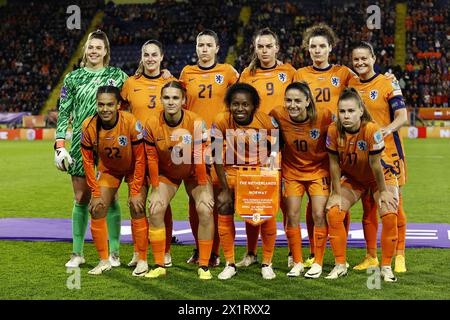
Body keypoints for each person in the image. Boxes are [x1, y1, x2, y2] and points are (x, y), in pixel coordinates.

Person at [54, 30, 128, 268]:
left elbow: (134, 95)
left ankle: (114, 253)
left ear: (106, 51)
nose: (94, 51)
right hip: (79, 143)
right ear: (85, 50)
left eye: (99, 47)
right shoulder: (73, 78)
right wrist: (59, 145)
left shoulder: (117, 76)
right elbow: (64, 113)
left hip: (110, 143)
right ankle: (77, 253)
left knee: (112, 197)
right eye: (90, 47)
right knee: (81, 197)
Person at [293, 23, 357, 269]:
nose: (317, 50)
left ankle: (342, 248)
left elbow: (364, 82)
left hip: (338, 144)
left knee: (338, 197)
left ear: (330, 48)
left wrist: (389, 78)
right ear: (307, 49)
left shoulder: (343, 74)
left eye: (322, 46)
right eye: (313, 47)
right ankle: (313, 249)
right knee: (314, 202)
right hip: (309, 147)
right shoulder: (300, 74)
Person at [325, 88, 399, 282]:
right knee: (334, 212)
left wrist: (383, 191)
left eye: (351, 111)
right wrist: (335, 192)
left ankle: (386, 267)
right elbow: (333, 163)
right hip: (354, 178)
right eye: (342, 111)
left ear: (360, 111)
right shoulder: (333, 130)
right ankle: (340, 264)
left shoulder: (371, 129)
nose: (346, 115)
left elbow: (376, 165)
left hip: (380, 177)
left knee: (390, 214)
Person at [143, 81, 215, 280]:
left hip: (194, 172)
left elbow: (201, 157)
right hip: (168, 173)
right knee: (156, 207)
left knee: (205, 208)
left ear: (183, 100)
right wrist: (156, 187)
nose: (171, 102)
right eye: (166, 97)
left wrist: (203, 186)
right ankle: (159, 264)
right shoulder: (152, 123)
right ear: (161, 99)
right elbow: (151, 158)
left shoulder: (196, 121)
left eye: (175, 98)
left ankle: (204, 264)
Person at [179, 29, 239, 267]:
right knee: (195, 200)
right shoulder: (186, 73)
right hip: (192, 143)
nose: (204, 49)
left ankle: (217, 252)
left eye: (208, 45)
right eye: (200, 45)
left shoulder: (227, 72)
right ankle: (199, 247)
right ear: (196, 48)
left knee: (217, 198)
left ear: (217, 49)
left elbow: (243, 98)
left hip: (219, 144)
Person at [237, 28, 295, 268]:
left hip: (285, 144)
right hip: (255, 146)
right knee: (255, 199)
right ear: (255, 48)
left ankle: (293, 254)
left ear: (276, 48)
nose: (264, 51)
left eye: (268, 46)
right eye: (260, 47)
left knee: (285, 201)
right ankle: (251, 253)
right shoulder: (247, 74)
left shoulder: (289, 72)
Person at [348, 41, 408, 272]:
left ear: (373, 58)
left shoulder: (387, 83)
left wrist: (387, 129)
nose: (361, 63)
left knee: (394, 204)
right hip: (363, 155)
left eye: (365, 58)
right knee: (368, 206)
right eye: (356, 59)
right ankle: (371, 255)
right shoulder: (351, 83)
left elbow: (402, 116)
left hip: (390, 153)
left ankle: (399, 254)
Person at [213, 83, 279, 280]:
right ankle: (230, 263)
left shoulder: (265, 120)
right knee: (224, 205)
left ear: (253, 106)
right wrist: (224, 188)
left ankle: (267, 262)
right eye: (235, 104)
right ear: (229, 105)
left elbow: (276, 144)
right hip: (232, 173)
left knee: (266, 213)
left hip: (258, 175)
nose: (240, 109)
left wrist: (271, 163)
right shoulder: (221, 121)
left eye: (245, 104)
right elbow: (216, 155)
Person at [120, 39, 176, 269]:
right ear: (141, 57)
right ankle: (138, 250)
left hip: (163, 152)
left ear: (162, 57)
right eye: (146, 55)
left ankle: (165, 251)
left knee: (160, 203)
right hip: (136, 153)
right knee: (135, 203)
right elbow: (121, 114)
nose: (150, 58)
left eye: (154, 54)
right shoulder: (130, 83)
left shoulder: (171, 82)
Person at [80, 86, 146, 275]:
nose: (105, 109)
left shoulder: (131, 122)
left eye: (110, 104)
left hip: (134, 168)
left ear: (118, 105)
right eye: (101, 104)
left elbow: (141, 158)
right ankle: (104, 261)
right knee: (97, 207)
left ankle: (141, 258)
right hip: (109, 169)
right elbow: (88, 161)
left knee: (137, 206)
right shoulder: (89, 126)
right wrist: (95, 192)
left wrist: (134, 191)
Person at [270, 82, 333, 278]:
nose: (292, 105)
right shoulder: (277, 115)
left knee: (319, 214)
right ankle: (297, 262)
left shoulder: (325, 116)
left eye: (298, 100)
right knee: (292, 215)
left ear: (307, 101)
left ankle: (318, 262)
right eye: (288, 100)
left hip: (318, 172)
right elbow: (269, 141)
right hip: (292, 173)